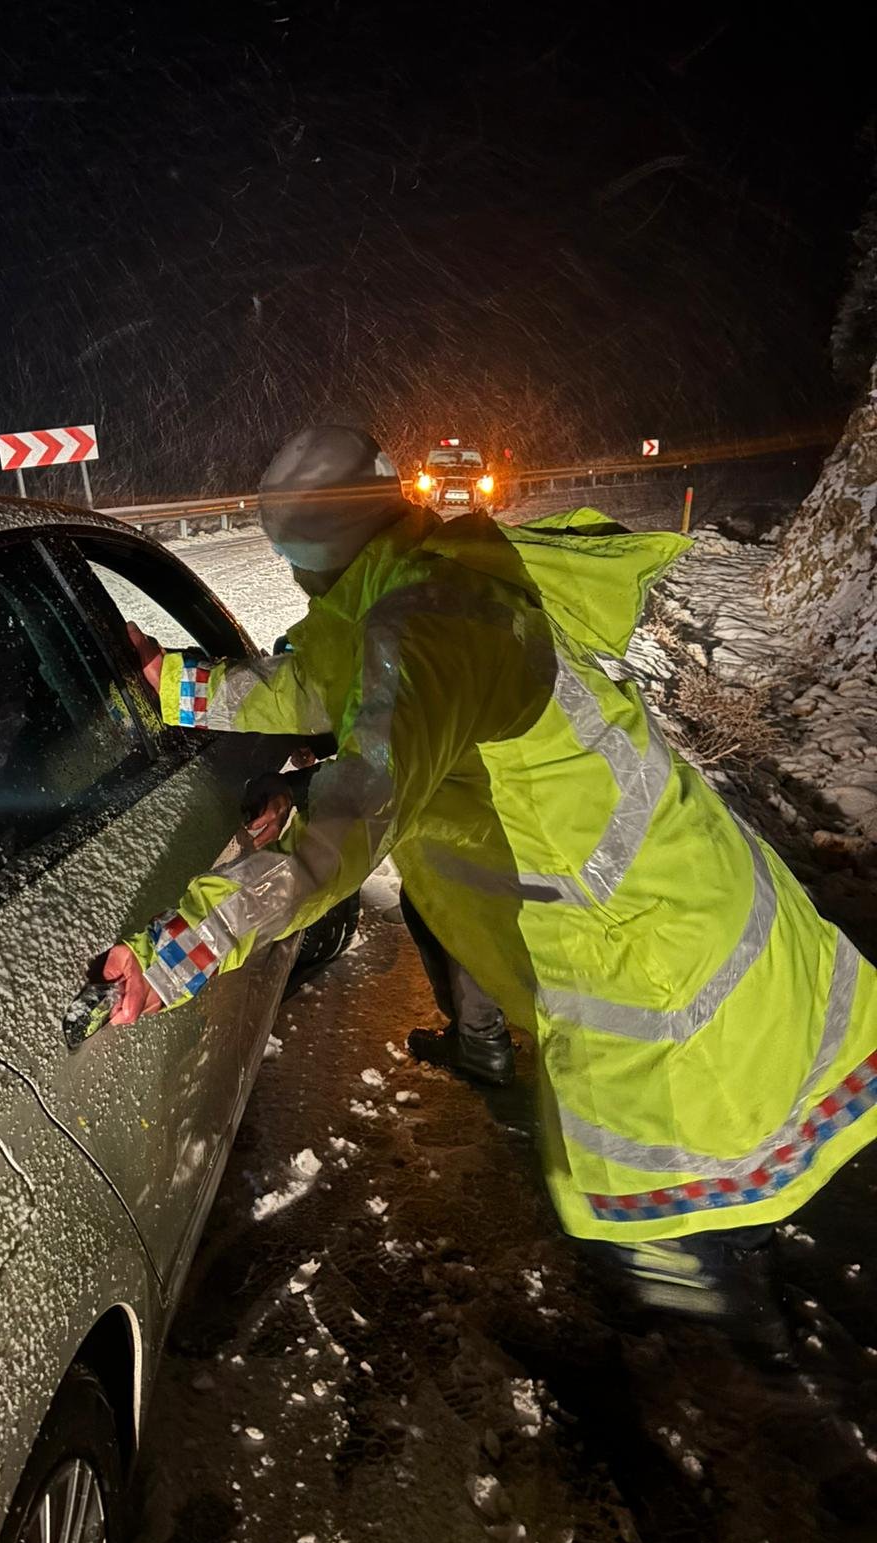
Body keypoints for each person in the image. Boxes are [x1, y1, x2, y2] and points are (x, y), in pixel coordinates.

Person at [98, 423, 877, 1330]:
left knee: (680, 1147)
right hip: (655, 886)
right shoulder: (411, 572)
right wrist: (169, 682)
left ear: (313, 551)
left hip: (643, 926)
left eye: (292, 555)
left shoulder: (428, 620)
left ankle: (733, 1331)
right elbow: (311, 682)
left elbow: (351, 816)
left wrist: (188, 946)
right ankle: (717, 1282)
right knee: (697, 1129)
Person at [242, 740, 516, 1084]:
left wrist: (296, 787)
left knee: (457, 903)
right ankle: (482, 1031)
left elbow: (391, 759)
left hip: (492, 815)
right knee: (436, 899)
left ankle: (483, 1038)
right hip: (519, 812)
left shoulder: (430, 699)